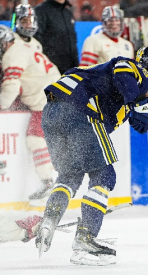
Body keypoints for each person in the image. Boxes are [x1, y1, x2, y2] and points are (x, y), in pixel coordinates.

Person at [35, 45, 148, 266]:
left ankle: (49, 220)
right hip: (79, 111)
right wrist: (139, 102)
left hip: (52, 113)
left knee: (70, 175)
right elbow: (123, 72)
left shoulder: (109, 82)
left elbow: (74, 76)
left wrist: (134, 107)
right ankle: (85, 239)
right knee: (104, 176)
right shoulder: (135, 70)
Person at [1, 5, 62, 201]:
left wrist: (3, 104)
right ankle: (52, 183)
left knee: (35, 140)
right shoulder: (27, 46)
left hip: (45, 101)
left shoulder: (14, 51)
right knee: (43, 140)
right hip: (54, 95)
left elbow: (12, 85)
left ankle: (50, 183)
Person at [34, 0, 78, 74]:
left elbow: (73, 42)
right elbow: (36, 42)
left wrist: (76, 67)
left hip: (68, 71)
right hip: (49, 71)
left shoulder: (68, 13)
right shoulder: (40, 11)